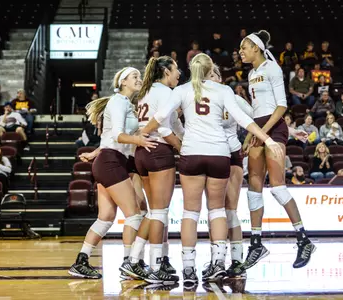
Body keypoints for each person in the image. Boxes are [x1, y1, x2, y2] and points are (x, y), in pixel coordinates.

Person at [140, 53, 282, 286]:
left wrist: (141, 133)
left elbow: (160, 117)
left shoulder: (182, 90)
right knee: (217, 210)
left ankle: (188, 268)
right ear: (210, 71)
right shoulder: (224, 91)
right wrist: (267, 139)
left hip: (191, 153)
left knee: (190, 213)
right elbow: (245, 120)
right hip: (219, 153)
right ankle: (218, 263)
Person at [236, 30, 316, 274]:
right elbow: (257, 110)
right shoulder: (251, 74)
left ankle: (304, 240)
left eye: (244, 48)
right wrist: (251, 136)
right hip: (259, 128)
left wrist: (265, 134)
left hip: (273, 128)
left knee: (278, 186)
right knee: (254, 187)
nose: (241, 52)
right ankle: (256, 244)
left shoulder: (272, 68)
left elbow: (281, 106)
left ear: (257, 48)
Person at [68, 67, 158, 279]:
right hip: (111, 162)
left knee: (106, 218)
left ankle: (81, 261)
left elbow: (109, 136)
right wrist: (139, 140)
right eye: (134, 76)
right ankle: (129, 264)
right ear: (123, 81)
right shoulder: (118, 102)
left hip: (108, 160)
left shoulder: (125, 103)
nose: (139, 79)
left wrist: (94, 152)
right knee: (134, 215)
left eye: (139, 76)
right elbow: (118, 135)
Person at [120, 56, 183, 284]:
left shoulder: (146, 92)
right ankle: (155, 264)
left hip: (142, 153)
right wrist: (182, 147)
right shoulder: (166, 93)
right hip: (157, 150)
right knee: (160, 212)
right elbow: (166, 130)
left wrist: (182, 138)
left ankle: (139, 259)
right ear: (166, 71)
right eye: (176, 70)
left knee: (155, 212)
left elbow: (175, 123)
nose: (179, 74)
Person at [205, 65, 253, 279]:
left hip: (232, 153)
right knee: (215, 211)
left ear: (220, 78)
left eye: (214, 74)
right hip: (210, 154)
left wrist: (251, 140)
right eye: (207, 75)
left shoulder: (233, 98)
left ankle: (236, 260)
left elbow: (256, 119)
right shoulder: (198, 100)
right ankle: (216, 260)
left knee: (230, 209)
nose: (210, 78)